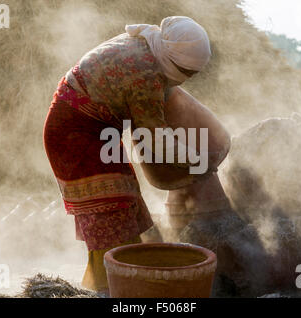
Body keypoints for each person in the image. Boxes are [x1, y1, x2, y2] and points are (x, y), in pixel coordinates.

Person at [43, 16, 212, 292]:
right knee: (111, 210)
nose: (188, 78)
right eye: (187, 72)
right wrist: (198, 160)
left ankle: (115, 286)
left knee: (125, 203)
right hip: (74, 134)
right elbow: (157, 139)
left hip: (92, 128)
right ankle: (107, 291)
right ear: (172, 59)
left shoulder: (149, 44)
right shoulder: (145, 76)